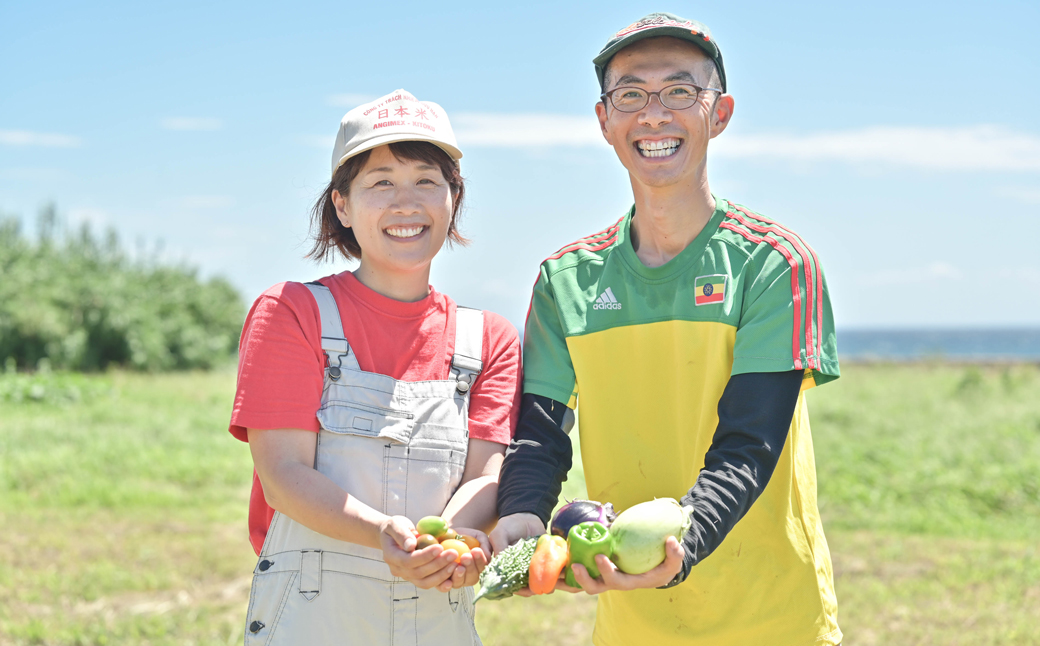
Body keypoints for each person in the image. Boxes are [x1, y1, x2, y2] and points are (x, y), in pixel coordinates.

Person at [490, 12, 843, 646]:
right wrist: (521, 515)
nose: (654, 115)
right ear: (604, 121)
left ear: (721, 112)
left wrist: (684, 544)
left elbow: (750, 443)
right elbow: (540, 436)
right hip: (631, 623)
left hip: (773, 617)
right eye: (630, 95)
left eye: (680, 92)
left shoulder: (774, 263)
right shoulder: (564, 281)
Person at [229, 89, 521, 645]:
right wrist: (383, 532)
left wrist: (451, 540)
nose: (406, 202)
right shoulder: (292, 312)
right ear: (341, 204)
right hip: (313, 616)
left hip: (438, 605)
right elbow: (284, 476)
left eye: (426, 180)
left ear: (453, 197)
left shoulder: (491, 339)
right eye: (381, 182)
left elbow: (486, 475)